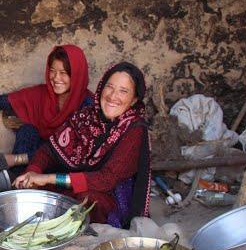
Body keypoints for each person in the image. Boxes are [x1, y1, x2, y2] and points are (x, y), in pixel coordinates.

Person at [13, 62, 151, 229]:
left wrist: (47, 178)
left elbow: (106, 179)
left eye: (123, 91)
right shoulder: (86, 116)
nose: (113, 96)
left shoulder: (134, 129)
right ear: (101, 88)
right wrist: (33, 172)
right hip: (75, 183)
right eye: (110, 87)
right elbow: (49, 150)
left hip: (110, 195)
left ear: (134, 99)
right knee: (28, 190)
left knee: (85, 200)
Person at [0, 45, 93, 175]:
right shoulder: (42, 94)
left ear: (77, 75)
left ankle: (18, 175)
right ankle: (17, 182)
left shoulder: (88, 106)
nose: (56, 78)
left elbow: (71, 152)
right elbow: (2, 101)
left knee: (55, 150)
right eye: (52, 71)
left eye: (64, 73)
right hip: (35, 161)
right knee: (27, 130)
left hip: (66, 167)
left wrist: (16, 159)